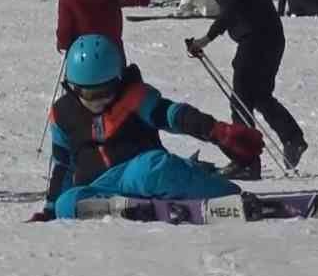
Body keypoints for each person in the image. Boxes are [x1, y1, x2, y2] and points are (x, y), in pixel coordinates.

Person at [33, 35, 263, 221]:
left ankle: (226, 194)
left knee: (152, 169)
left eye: (106, 91)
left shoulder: (134, 97)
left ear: (118, 79)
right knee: (67, 202)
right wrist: (49, 210)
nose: (99, 101)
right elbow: (63, 165)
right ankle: (120, 207)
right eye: (90, 94)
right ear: (73, 88)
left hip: (138, 172)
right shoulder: (63, 115)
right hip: (101, 186)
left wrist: (218, 132)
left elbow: (173, 115)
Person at [185, 0, 308, 178]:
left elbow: (231, 11)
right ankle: (293, 138)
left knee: (240, 101)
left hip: (254, 40)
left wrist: (206, 39)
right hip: (273, 37)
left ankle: (245, 161)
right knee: (260, 95)